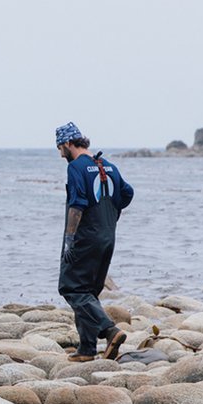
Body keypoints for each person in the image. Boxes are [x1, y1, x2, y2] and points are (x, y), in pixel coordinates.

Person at [55, 122, 134, 362]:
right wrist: (111, 216)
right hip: (107, 237)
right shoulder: (108, 165)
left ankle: (110, 331)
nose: (60, 154)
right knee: (89, 292)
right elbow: (127, 193)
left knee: (71, 288)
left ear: (68, 143)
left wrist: (69, 239)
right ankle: (87, 348)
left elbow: (77, 204)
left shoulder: (76, 167)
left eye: (60, 148)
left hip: (85, 238)